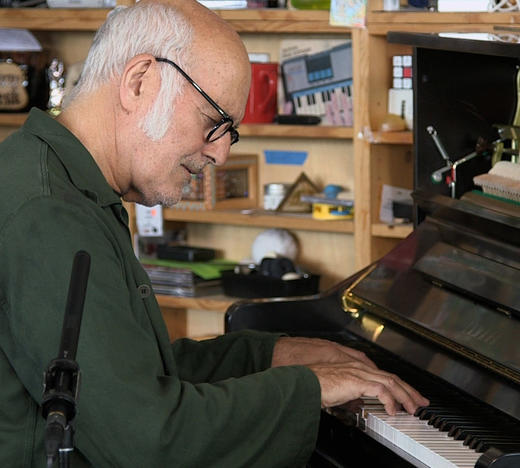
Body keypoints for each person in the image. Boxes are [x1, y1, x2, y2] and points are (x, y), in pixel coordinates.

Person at [0, 0, 428, 466]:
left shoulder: (51, 179)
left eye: (230, 133)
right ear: (140, 81)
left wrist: (273, 355)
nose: (222, 154)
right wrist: (309, 388)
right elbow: (150, 439)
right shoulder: (52, 216)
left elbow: (128, 375)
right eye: (214, 123)